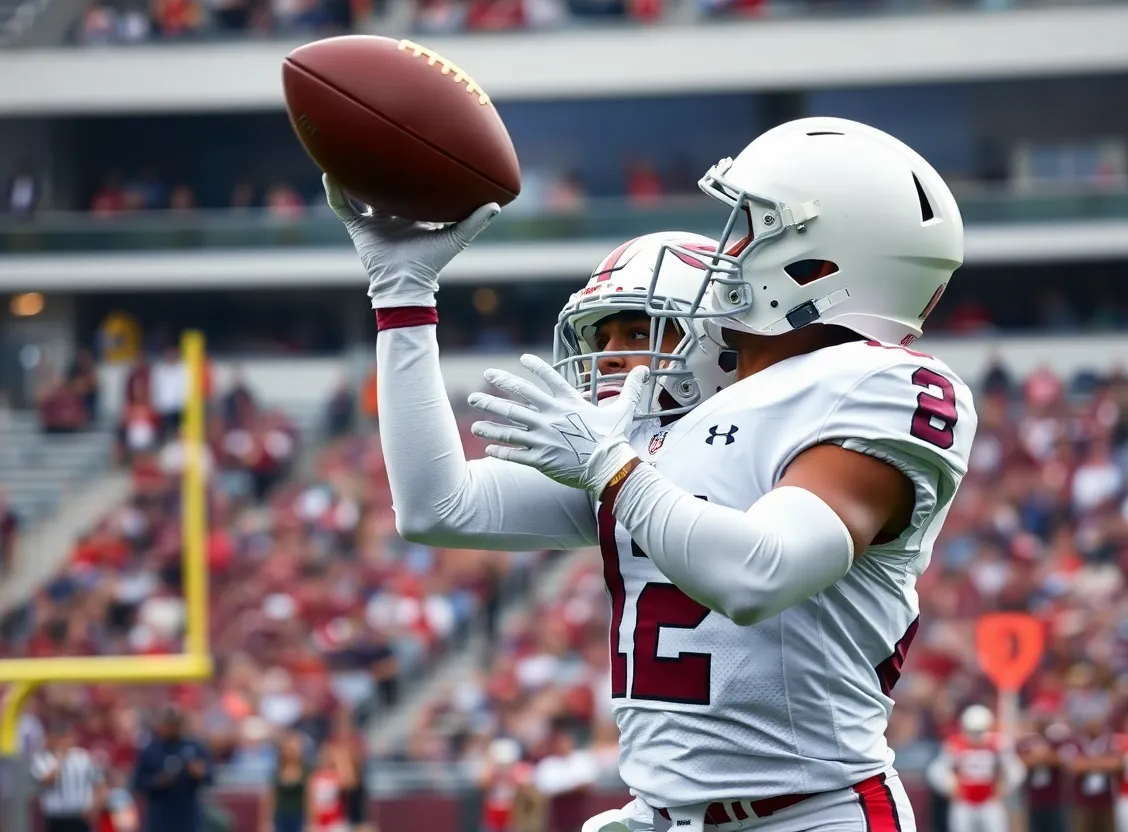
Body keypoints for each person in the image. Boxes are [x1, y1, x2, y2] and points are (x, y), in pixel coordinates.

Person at [329, 116, 972, 832]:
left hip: (811, 815)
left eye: (749, 229)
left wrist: (611, 466)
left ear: (820, 263)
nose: (729, 258)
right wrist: (403, 297)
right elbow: (436, 506)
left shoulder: (877, 383)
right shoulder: (652, 445)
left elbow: (761, 575)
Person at [927, 706, 1024, 832]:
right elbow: (936, 770)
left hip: (989, 801)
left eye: (980, 731)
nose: (976, 736)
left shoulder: (999, 744)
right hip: (964, 802)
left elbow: (1016, 769)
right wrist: (950, 786)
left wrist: (1005, 786)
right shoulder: (955, 744)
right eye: (972, 731)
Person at [130, 706, 213, 832]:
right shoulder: (151, 750)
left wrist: (199, 772)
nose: (172, 728)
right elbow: (137, 784)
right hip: (160, 816)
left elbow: (211, 777)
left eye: (176, 724)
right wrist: (157, 781)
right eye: (168, 724)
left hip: (188, 815)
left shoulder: (194, 747)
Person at [30, 722, 102, 832]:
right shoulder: (43, 759)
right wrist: (59, 759)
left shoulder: (83, 757)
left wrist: (95, 806)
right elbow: (47, 781)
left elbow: (98, 783)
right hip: (56, 816)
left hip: (79, 816)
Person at [261, 731, 309, 832]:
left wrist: (311, 823)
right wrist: (266, 822)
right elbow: (269, 798)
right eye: (288, 749)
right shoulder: (277, 772)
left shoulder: (305, 771)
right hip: (280, 815)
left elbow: (309, 798)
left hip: (299, 815)